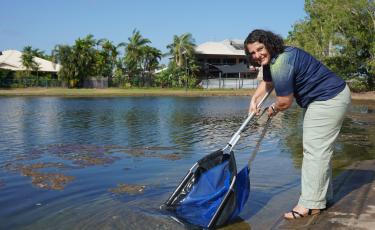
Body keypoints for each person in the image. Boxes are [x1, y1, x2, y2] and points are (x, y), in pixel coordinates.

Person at [244, 29, 351, 219]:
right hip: (325, 98)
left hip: (328, 98)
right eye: (252, 52)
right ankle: (323, 198)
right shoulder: (273, 58)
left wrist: (273, 109)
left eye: (260, 49)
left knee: (314, 151)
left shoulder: (281, 62)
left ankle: (310, 204)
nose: (257, 55)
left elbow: (285, 102)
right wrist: (254, 99)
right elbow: (268, 82)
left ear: (269, 43)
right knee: (318, 150)